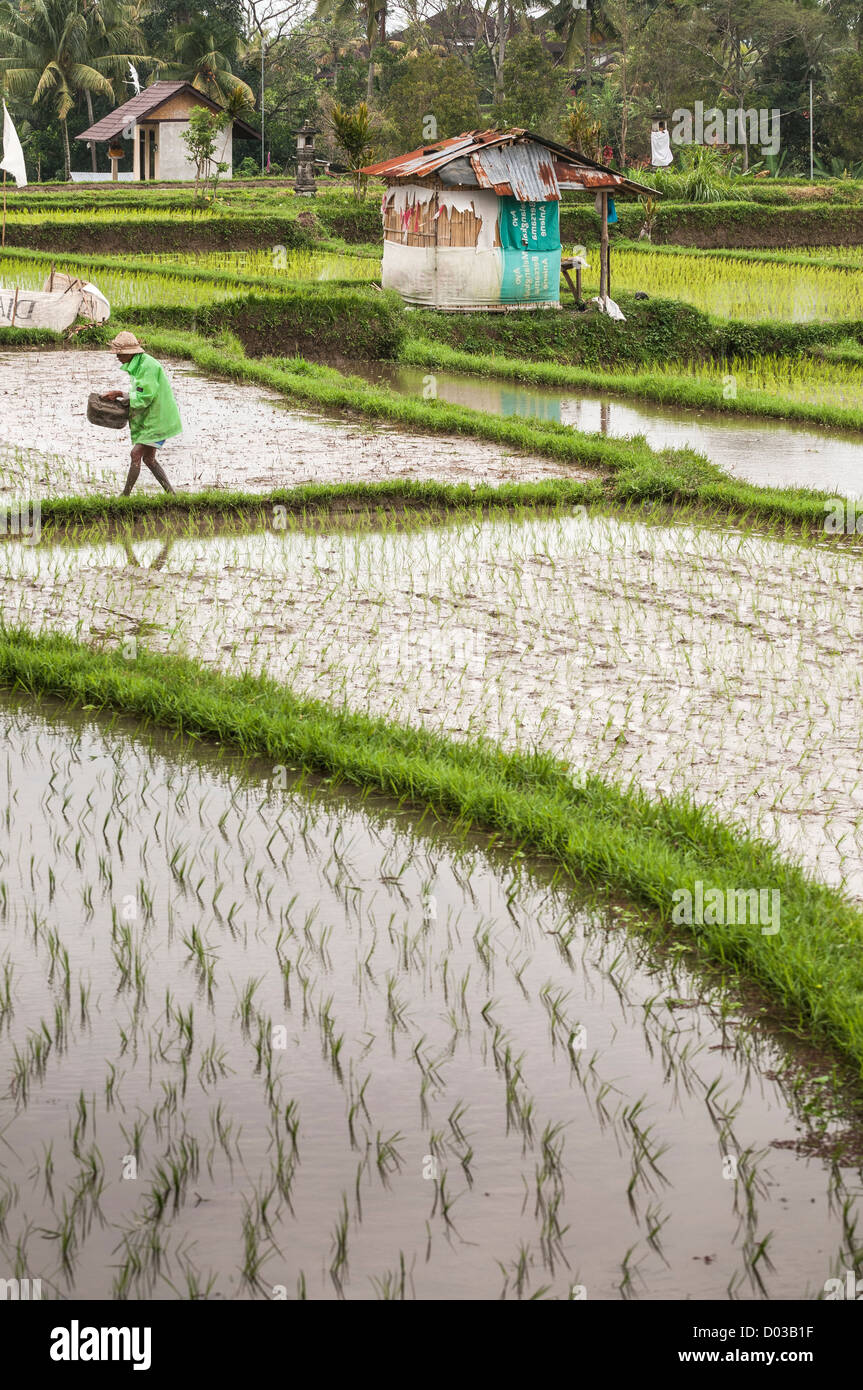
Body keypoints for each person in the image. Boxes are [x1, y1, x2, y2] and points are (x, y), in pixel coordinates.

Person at [102, 331, 181, 495]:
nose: (116, 356)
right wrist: (121, 396)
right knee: (149, 459)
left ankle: (125, 496)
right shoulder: (138, 365)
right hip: (153, 416)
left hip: (158, 418)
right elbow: (141, 393)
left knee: (136, 454)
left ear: (130, 353)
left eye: (119, 353)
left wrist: (120, 394)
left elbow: (145, 396)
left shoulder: (148, 366)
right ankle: (172, 495)